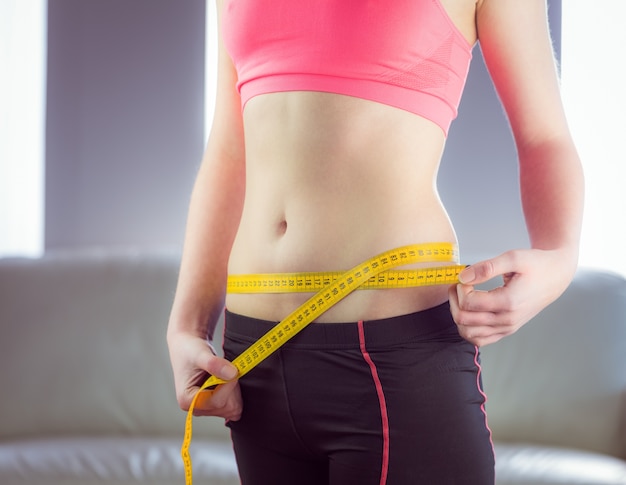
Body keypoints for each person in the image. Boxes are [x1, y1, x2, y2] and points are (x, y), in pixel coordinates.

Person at [167, 0, 584, 483]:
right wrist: (186, 326)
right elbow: (228, 152)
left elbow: (544, 137)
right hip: (251, 359)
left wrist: (560, 258)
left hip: (392, 357)